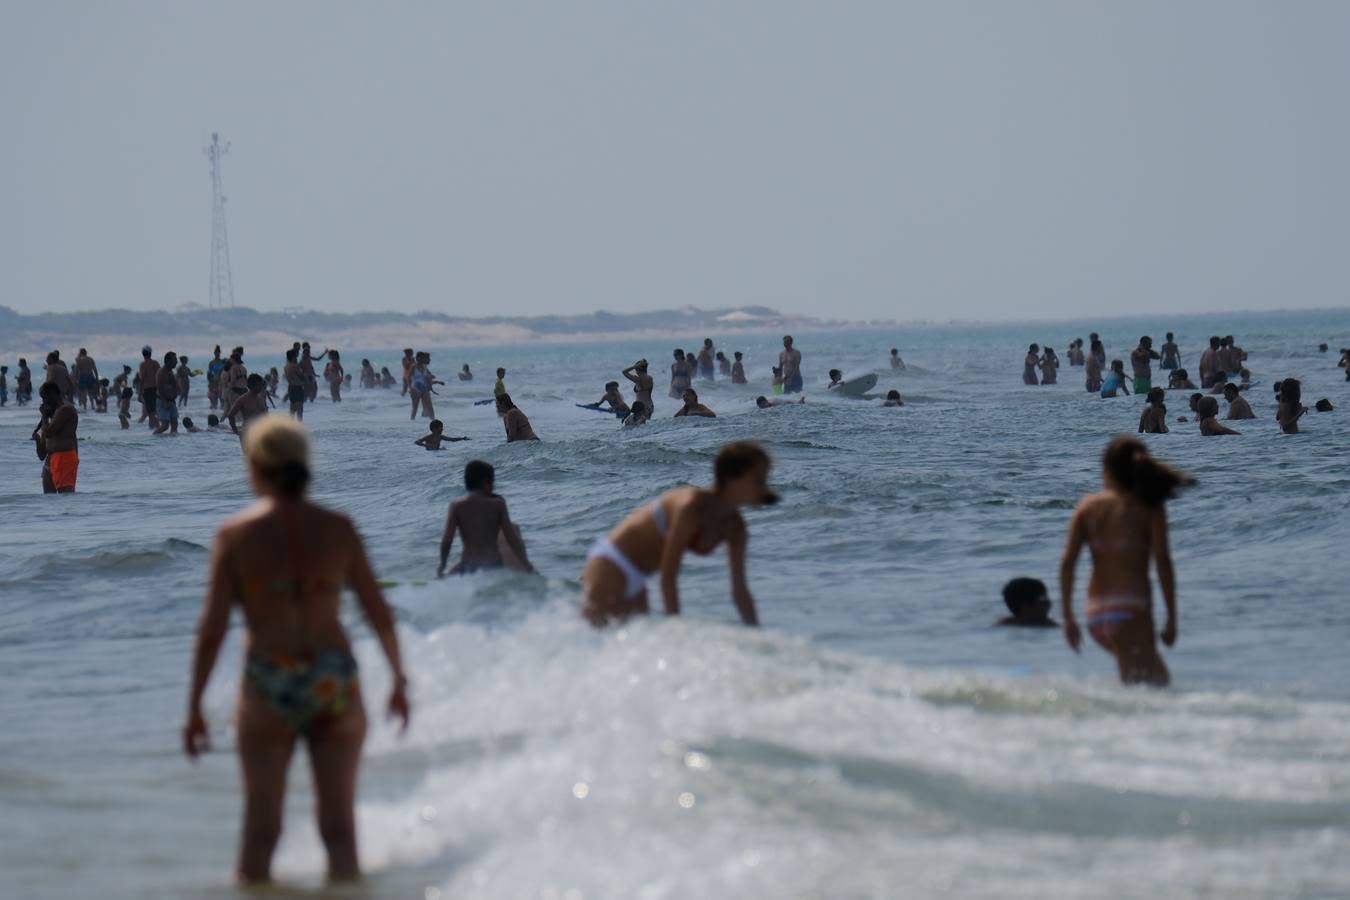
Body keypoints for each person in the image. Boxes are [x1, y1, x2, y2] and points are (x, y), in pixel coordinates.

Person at [183, 417, 409, 885]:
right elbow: (378, 612)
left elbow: (212, 629)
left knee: (261, 831)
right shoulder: (338, 528)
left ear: (255, 466)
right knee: (340, 831)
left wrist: (195, 706)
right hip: (333, 677)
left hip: (268, 676)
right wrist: (398, 681)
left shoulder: (235, 535)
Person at [581, 441, 776, 626]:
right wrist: (675, 632)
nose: (765, 489)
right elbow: (669, 574)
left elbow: (740, 591)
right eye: (759, 480)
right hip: (612, 562)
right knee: (592, 640)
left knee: (629, 651)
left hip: (640, 576)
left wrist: (758, 634)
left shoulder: (735, 527)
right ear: (732, 478)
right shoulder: (691, 507)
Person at [1059, 437, 1192, 685]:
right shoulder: (1149, 507)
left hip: (1096, 615)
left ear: (1106, 468)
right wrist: (1171, 618)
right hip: (1130, 610)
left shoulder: (1087, 507)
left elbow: (1068, 563)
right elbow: (1163, 561)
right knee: (1142, 686)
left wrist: (1068, 617)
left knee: (1157, 680)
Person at [437, 459, 534, 575]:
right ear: (486, 483)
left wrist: (442, 564)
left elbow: (447, 540)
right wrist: (526, 564)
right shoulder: (498, 504)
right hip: (493, 565)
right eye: (492, 482)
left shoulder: (457, 506)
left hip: (468, 565)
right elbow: (512, 539)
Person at [33, 382, 79, 493]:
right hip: (50, 459)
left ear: (53, 394)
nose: (44, 401)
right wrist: (38, 440)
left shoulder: (65, 410)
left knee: (66, 497)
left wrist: (44, 415)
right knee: (49, 500)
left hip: (64, 457)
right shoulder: (52, 415)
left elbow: (49, 433)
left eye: (45, 397)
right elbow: (42, 455)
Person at [154, 351, 181, 435]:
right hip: (163, 401)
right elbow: (160, 387)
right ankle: (153, 439)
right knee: (165, 425)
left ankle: (172, 444)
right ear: (168, 360)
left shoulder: (170, 371)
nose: (176, 361)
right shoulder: (162, 372)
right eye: (174, 359)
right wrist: (165, 401)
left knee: (174, 423)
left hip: (171, 401)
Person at [207, 346, 226, 410]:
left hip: (221, 382)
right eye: (216, 353)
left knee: (222, 401)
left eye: (218, 353)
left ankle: (220, 415)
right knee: (214, 402)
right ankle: (213, 415)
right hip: (214, 382)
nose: (217, 354)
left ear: (220, 353)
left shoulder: (223, 362)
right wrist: (210, 383)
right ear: (214, 353)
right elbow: (209, 373)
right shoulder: (211, 363)